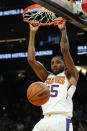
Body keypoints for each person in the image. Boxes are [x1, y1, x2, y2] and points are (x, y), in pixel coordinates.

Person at [27, 18, 79, 131]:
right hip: (44, 120)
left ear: (65, 64)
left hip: (61, 119)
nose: (54, 65)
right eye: (52, 63)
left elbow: (64, 49)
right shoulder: (47, 76)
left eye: (58, 62)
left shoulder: (71, 75)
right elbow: (31, 59)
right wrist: (32, 32)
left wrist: (63, 29)